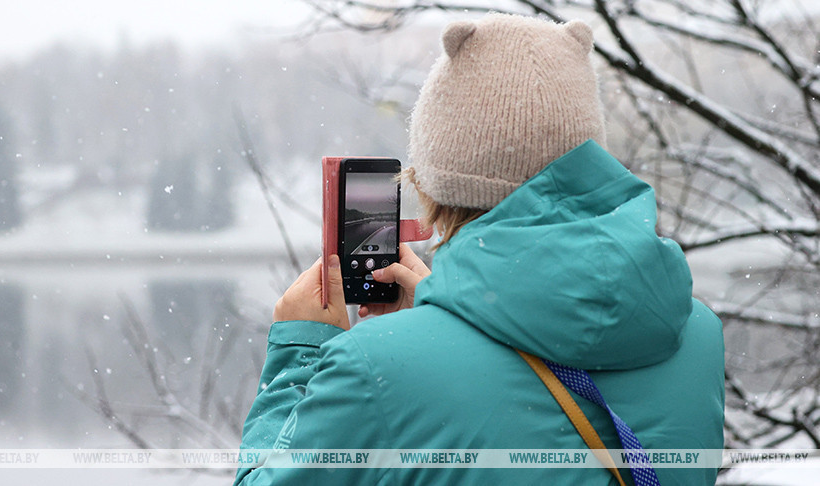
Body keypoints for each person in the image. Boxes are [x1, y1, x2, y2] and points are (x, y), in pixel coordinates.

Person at [233, 13, 724, 485]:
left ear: (436, 182)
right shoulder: (697, 335)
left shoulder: (375, 368)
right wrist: (448, 314)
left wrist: (300, 351)